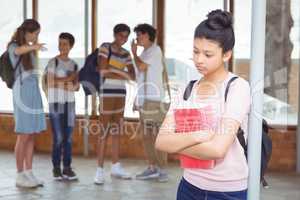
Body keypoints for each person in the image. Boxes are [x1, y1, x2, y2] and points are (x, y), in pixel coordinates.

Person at [155, 10, 251, 200]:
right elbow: (161, 142)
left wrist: (177, 144)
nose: (199, 60)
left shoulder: (237, 87)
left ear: (226, 54)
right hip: (189, 186)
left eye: (208, 54)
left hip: (227, 192)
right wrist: (198, 135)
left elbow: (217, 149)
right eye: (195, 51)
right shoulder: (186, 89)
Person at [94, 23, 135, 185]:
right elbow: (103, 70)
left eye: (126, 36)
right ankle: (99, 170)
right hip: (107, 93)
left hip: (120, 94)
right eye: (121, 36)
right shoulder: (105, 47)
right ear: (115, 34)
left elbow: (132, 76)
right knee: (103, 132)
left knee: (117, 130)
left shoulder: (126, 53)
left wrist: (116, 71)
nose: (123, 39)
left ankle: (116, 167)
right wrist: (122, 72)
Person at [8, 19, 47, 188]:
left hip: (33, 90)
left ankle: (29, 172)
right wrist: (33, 47)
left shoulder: (30, 50)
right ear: (27, 32)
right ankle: (19, 174)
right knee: (23, 134)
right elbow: (18, 50)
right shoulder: (14, 46)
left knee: (31, 134)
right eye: (35, 33)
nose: (36, 37)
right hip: (22, 91)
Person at [131, 23, 169, 182]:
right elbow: (140, 78)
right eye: (137, 34)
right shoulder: (146, 52)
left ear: (148, 35)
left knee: (157, 137)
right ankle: (152, 167)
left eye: (140, 34)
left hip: (154, 100)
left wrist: (133, 53)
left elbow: (141, 66)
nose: (138, 37)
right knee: (147, 137)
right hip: (145, 100)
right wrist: (136, 99)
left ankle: (162, 170)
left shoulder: (155, 50)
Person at [45, 32, 79, 181]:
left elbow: (76, 87)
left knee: (69, 138)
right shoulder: (53, 62)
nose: (61, 46)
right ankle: (56, 168)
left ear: (71, 46)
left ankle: (67, 168)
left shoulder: (74, 64)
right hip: (55, 104)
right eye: (60, 43)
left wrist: (61, 81)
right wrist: (68, 80)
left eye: (65, 44)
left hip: (70, 104)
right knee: (58, 137)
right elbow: (50, 83)